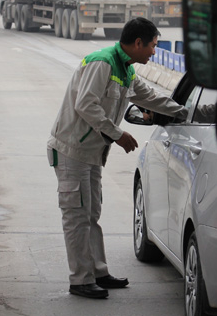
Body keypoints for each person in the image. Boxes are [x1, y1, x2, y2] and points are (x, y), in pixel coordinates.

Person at [47, 18, 188, 299]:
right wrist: (117, 134)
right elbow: (85, 103)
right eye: (152, 46)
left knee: (91, 215)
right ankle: (81, 280)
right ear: (137, 43)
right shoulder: (103, 63)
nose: (153, 52)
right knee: (77, 216)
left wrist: (185, 112)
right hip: (72, 151)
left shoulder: (125, 69)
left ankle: (97, 272)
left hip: (92, 153)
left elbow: (149, 97)